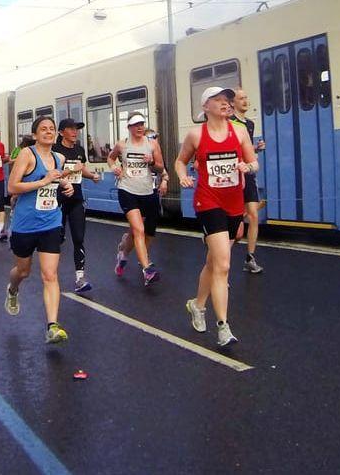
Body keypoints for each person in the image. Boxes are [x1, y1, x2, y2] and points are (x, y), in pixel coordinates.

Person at [177, 87, 258, 347]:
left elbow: (254, 162)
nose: (225, 104)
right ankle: (223, 326)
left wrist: (248, 166)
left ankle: (197, 305)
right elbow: (180, 161)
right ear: (206, 107)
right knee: (223, 265)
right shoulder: (196, 134)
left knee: (213, 262)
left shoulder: (241, 131)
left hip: (234, 202)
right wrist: (182, 175)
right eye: (219, 100)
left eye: (227, 100)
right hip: (208, 201)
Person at [4, 116, 74, 345]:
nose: (48, 132)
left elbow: (56, 179)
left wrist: (66, 184)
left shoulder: (59, 157)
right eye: (43, 129)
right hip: (25, 224)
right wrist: (43, 181)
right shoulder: (27, 155)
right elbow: (12, 187)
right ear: (35, 135)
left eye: (52, 129)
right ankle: (13, 289)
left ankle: (52, 326)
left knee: (50, 275)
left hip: (51, 223)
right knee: (22, 271)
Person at [110, 112, 166, 286]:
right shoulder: (122, 144)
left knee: (147, 233)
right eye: (136, 125)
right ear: (129, 127)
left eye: (142, 124)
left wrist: (151, 163)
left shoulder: (152, 144)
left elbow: (160, 167)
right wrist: (114, 168)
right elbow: (111, 158)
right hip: (127, 190)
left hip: (148, 193)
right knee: (138, 229)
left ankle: (123, 254)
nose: (140, 127)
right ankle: (147, 269)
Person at [55, 118, 102, 293]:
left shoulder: (80, 150)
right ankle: (50, 274)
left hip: (76, 199)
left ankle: (80, 278)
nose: (75, 132)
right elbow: (52, 174)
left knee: (78, 238)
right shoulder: (55, 150)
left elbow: (81, 169)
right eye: (71, 129)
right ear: (61, 132)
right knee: (56, 239)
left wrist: (92, 176)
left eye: (77, 129)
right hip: (57, 200)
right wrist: (70, 170)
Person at [230, 89, 265, 274]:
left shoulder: (250, 124)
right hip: (234, 175)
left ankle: (250, 257)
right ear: (233, 103)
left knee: (253, 215)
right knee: (235, 223)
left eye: (246, 97)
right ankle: (219, 260)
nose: (245, 101)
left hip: (248, 173)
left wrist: (256, 149)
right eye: (240, 98)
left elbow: (246, 150)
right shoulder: (229, 122)